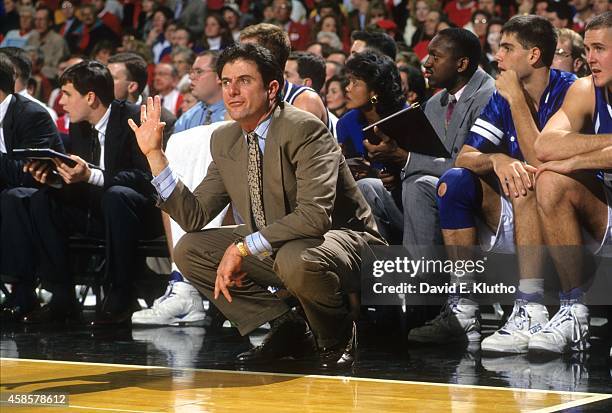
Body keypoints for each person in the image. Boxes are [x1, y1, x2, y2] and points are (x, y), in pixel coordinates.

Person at [130, 43, 384, 369]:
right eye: (225, 82)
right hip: (277, 245)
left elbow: (315, 217)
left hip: (346, 244)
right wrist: (156, 156)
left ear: (272, 88)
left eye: (244, 81)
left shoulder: (304, 129)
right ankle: (287, 327)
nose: (232, 92)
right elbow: (193, 216)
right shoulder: (225, 139)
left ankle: (336, 337)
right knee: (190, 249)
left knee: (295, 256)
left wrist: (242, 248)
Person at [431, 16, 576, 349]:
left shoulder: (570, 90)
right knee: (454, 182)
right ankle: (463, 308)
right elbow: (464, 157)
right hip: (519, 212)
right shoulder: (501, 97)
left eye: (507, 49)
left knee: (528, 177)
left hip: (565, 217)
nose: (498, 58)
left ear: (534, 55)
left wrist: (515, 101)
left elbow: (541, 159)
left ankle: (530, 307)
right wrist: (497, 159)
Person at [5, 61, 163, 325]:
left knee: (117, 195)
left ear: (90, 97)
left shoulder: (135, 118)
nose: (62, 103)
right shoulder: (79, 125)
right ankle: (62, 295)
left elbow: (146, 178)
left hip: (139, 215)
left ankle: (122, 294)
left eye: (67, 95)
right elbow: (82, 179)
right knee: (42, 199)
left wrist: (91, 176)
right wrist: (55, 179)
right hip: (98, 210)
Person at [357, 28, 494, 249]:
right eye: (428, 55)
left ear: (461, 64)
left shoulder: (489, 97)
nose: (427, 63)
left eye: (436, 57)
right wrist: (396, 172)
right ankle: (383, 271)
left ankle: (423, 278)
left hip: (469, 204)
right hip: (426, 196)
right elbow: (426, 156)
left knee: (418, 185)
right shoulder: (434, 102)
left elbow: (466, 167)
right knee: (367, 188)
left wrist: (406, 160)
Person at [533, 11, 612, 354]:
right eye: (589, 48)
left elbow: (564, 152)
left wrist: (577, 159)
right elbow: (544, 146)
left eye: (600, 48)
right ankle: (573, 310)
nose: (590, 58)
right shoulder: (586, 90)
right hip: (604, 211)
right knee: (549, 180)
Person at [239, 23, 332, 133]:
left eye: (245, 54)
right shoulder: (241, 97)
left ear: (269, 60)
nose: (237, 60)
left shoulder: (304, 101)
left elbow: (294, 149)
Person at [173, 51, 227, 133]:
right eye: (191, 72)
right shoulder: (187, 117)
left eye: (199, 72)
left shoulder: (236, 114)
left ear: (219, 76)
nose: (191, 77)